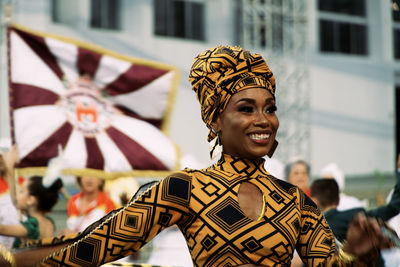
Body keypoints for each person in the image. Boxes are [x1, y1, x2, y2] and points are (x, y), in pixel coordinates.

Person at [0, 46, 392, 266]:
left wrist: (357, 255)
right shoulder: (185, 190)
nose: (263, 120)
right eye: (246, 108)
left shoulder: (295, 203)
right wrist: (13, 262)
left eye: (269, 108)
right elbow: (94, 246)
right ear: (216, 120)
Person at [310, 175, 400, 267]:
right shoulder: (359, 216)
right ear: (338, 200)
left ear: (314, 201)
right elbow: (392, 208)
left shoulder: (314, 231)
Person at [0, 176, 63, 248]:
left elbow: (3, 229)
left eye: (21, 191)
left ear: (30, 200)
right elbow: (15, 202)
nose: (17, 195)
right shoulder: (49, 221)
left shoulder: (32, 226)